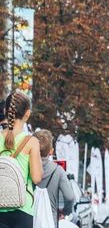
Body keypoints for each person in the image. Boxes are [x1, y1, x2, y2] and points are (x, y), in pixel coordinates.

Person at [0, 91, 43, 228]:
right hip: (23, 209)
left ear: (5, 111)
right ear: (27, 114)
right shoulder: (31, 142)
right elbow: (36, 178)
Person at [32, 129, 75, 228]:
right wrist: (65, 212)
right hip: (50, 220)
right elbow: (70, 197)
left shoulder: (26, 167)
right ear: (51, 151)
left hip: (27, 219)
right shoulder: (57, 171)